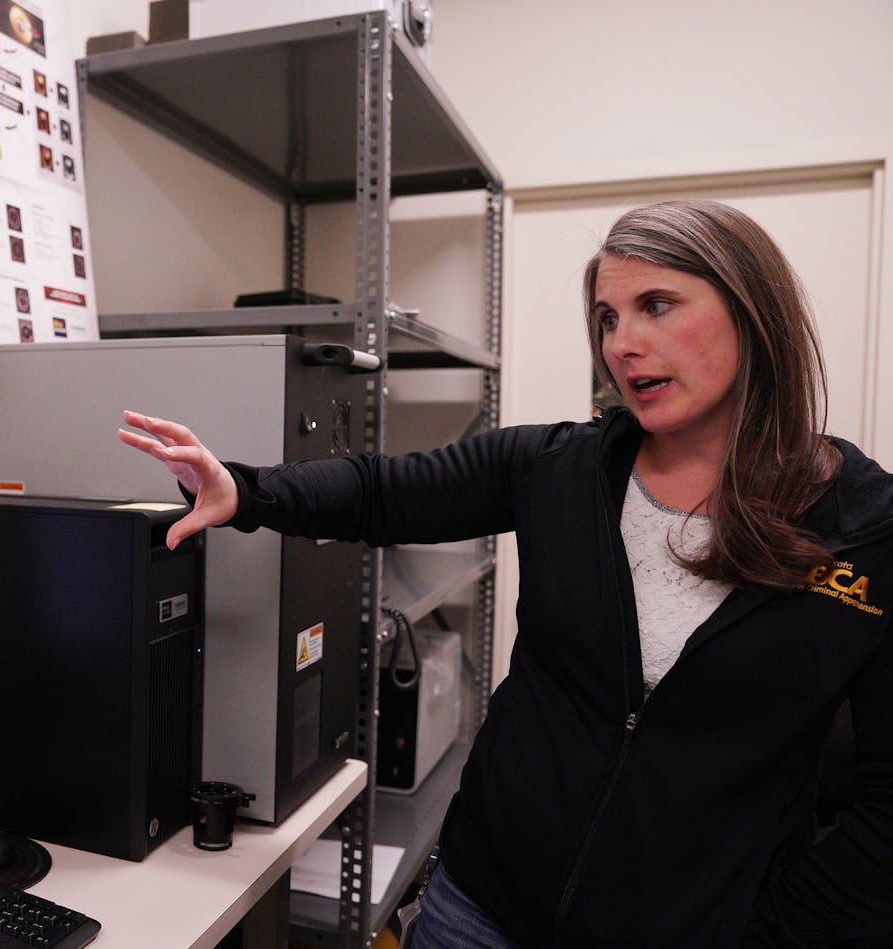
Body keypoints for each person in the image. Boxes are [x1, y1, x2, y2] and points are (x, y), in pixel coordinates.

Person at [117, 199, 893, 947]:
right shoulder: (560, 467)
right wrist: (246, 490)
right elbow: (384, 491)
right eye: (608, 318)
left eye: (658, 304)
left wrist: (772, 933)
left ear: (752, 311)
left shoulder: (864, 528)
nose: (622, 343)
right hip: (481, 908)